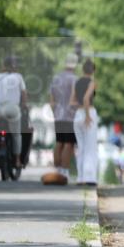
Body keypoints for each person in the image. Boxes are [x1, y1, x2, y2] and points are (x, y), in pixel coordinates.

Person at [0, 56, 28, 169]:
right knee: (16, 135)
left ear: (3, 65)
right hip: (12, 109)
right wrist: (24, 105)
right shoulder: (19, 77)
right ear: (14, 66)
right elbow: (24, 94)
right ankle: (17, 160)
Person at [49, 52, 78, 180]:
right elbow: (74, 97)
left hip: (58, 115)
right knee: (69, 143)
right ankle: (64, 170)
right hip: (70, 116)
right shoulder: (74, 79)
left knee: (59, 142)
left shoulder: (56, 78)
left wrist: (54, 112)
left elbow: (51, 99)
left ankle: (58, 169)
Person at [70, 59, 99, 186]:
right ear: (93, 71)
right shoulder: (92, 83)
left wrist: (81, 108)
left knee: (81, 147)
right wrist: (87, 115)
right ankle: (90, 177)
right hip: (89, 113)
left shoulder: (76, 83)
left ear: (83, 70)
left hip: (77, 115)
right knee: (90, 147)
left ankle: (80, 177)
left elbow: (72, 102)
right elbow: (86, 98)